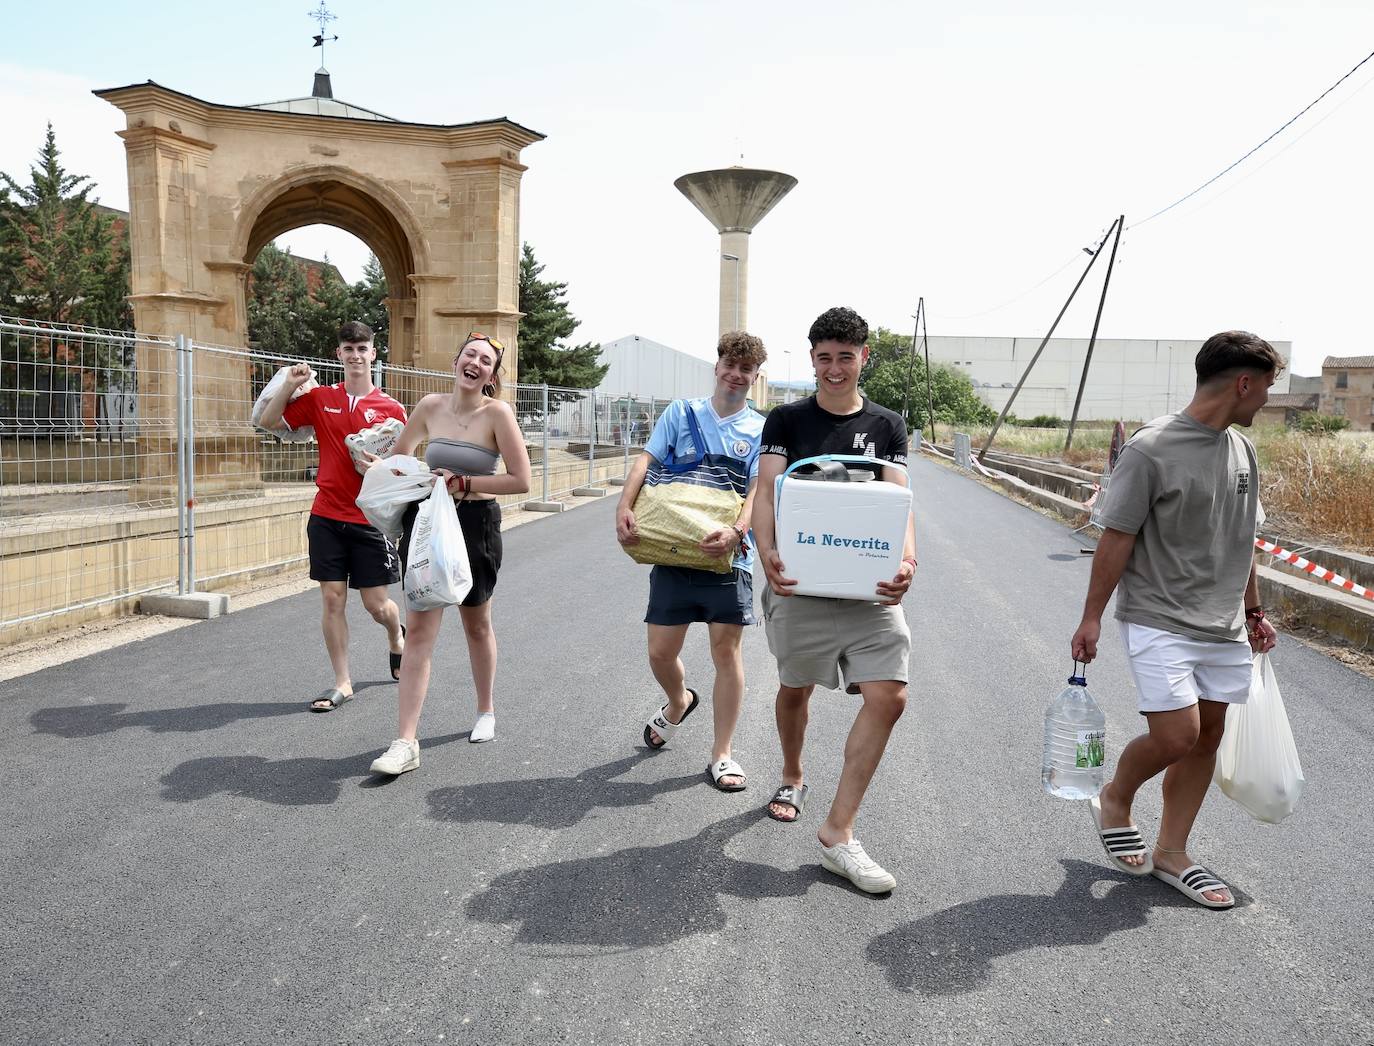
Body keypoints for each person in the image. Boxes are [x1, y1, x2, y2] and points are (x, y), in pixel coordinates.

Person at [1070, 330, 1282, 909]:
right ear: (1243, 383)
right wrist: (1091, 618)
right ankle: (1115, 796)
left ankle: (1172, 852)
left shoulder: (1243, 451)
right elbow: (1116, 538)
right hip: (1158, 615)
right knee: (1177, 734)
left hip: (1223, 624)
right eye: (1265, 386)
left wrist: (1253, 610)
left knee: (1207, 735)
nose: (1266, 397)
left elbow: (1245, 542)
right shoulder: (1151, 449)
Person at [753, 306, 917, 894]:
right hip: (801, 584)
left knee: (889, 696)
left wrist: (906, 561)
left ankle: (838, 833)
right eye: (824, 357)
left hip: (869, 589)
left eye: (845, 356)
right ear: (813, 358)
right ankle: (793, 774)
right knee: (795, 688)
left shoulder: (887, 426)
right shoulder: (787, 419)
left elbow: (899, 504)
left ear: (863, 357)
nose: (834, 368)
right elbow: (767, 491)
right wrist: (767, 553)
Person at [368, 333, 532, 775]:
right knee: (420, 630)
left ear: (492, 375)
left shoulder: (497, 413)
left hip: (475, 526)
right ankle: (405, 742)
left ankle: (485, 710)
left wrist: (463, 482)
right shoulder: (429, 407)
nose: (475, 363)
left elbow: (521, 480)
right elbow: (400, 461)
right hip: (428, 525)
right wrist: (382, 466)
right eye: (470, 355)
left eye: (486, 360)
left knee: (476, 624)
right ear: (455, 359)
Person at [616, 332, 768, 791]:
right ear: (717, 365)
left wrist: (739, 532)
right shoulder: (681, 413)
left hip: (729, 558)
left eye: (746, 369)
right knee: (661, 653)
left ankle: (722, 754)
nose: (736, 375)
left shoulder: (760, 429)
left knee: (726, 653)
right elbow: (646, 461)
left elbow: (759, 490)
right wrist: (624, 505)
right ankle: (678, 700)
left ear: (755, 377)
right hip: (674, 550)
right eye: (730, 364)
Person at [257, 320, 408, 712]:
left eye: (363, 349)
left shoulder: (391, 409)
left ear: (374, 354)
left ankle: (396, 635)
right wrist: (290, 384)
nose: (356, 356)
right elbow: (269, 422)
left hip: (369, 519)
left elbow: (403, 468)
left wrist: (379, 466)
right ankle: (342, 681)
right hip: (326, 514)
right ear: (338, 354)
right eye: (348, 349)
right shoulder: (322, 398)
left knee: (377, 606)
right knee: (332, 599)